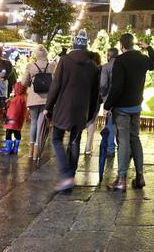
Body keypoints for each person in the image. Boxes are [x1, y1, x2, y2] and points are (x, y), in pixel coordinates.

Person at [44, 30, 100, 193]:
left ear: (74, 45)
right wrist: (90, 113)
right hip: (81, 110)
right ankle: (71, 176)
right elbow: (95, 93)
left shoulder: (65, 61)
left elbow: (55, 86)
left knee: (56, 139)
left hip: (64, 108)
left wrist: (48, 107)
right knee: (75, 141)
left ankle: (66, 175)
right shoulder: (93, 66)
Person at [104, 33, 154, 191]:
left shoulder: (120, 61)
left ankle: (121, 180)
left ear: (122, 46)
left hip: (122, 109)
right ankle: (140, 177)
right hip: (136, 106)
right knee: (135, 138)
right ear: (133, 44)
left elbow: (116, 87)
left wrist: (107, 106)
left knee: (123, 141)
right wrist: (149, 48)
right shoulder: (142, 58)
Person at [23, 45, 54, 160]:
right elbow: (54, 82)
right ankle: (37, 152)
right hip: (46, 99)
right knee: (41, 124)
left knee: (34, 123)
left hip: (33, 98)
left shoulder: (31, 66)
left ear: (36, 55)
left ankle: (31, 152)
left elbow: (24, 83)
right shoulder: (51, 66)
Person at [94, 47, 118, 157]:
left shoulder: (106, 67)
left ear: (109, 56)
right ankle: (124, 148)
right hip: (122, 100)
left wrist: (103, 95)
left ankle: (110, 148)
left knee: (110, 124)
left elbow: (103, 85)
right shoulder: (122, 65)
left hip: (109, 99)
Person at [82, 50, 103, 155]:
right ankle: (88, 147)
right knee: (92, 122)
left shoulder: (85, 69)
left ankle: (74, 142)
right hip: (96, 100)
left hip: (84, 98)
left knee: (81, 119)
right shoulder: (100, 70)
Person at [1, 82, 27, 154]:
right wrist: (9, 102)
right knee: (17, 132)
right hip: (18, 120)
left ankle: (8, 148)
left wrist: (8, 104)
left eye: (14, 88)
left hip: (12, 119)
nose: (13, 90)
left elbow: (15, 109)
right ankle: (15, 148)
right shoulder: (22, 98)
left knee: (8, 132)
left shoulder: (17, 98)